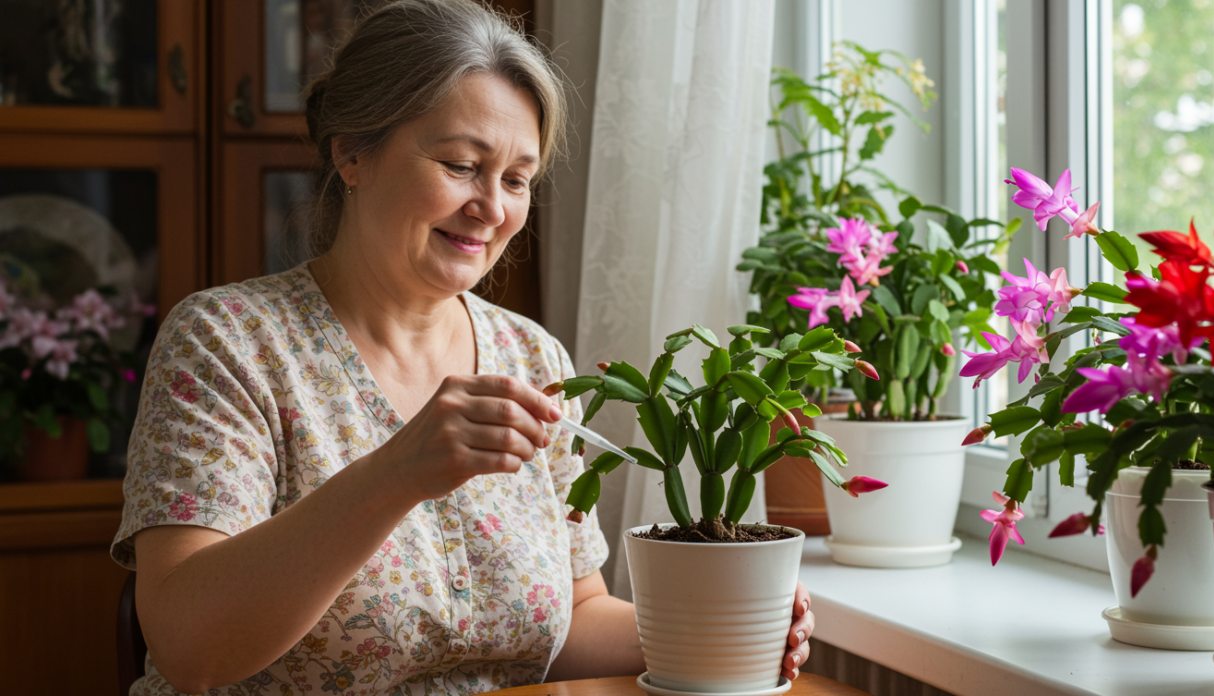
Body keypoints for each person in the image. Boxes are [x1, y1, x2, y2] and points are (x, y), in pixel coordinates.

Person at [110, 1, 814, 693]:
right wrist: (397, 472)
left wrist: (723, 625)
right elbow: (188, 649)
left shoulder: (533, 359)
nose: (492, 207)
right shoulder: (228, 341)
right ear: (352, 153)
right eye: (459, 164)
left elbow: (573, 618)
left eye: (516, 180)